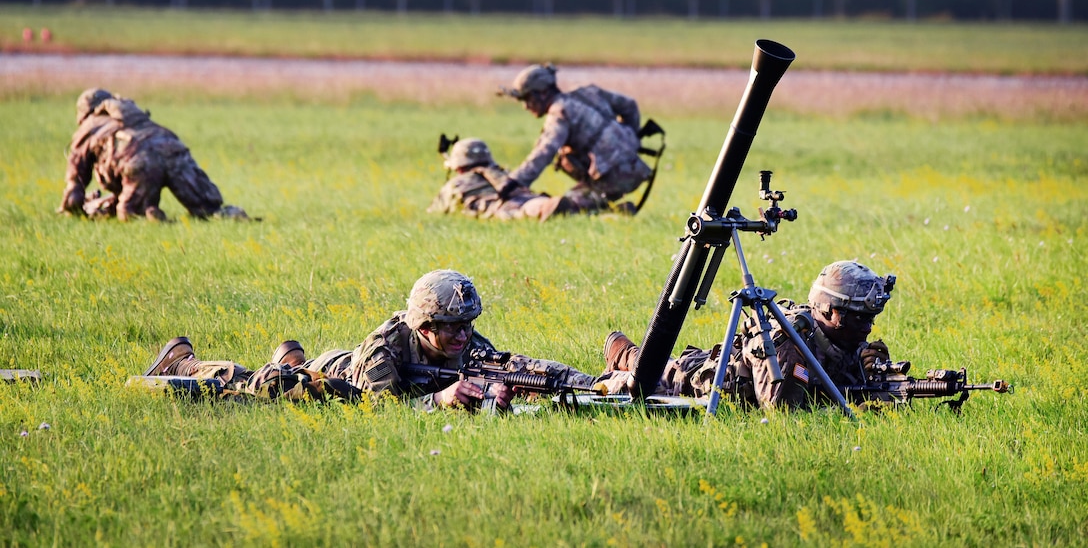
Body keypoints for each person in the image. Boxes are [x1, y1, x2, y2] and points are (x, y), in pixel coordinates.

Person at [143, 269, 619, 411]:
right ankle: (184, 365)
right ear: (423, 326)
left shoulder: (465, 341)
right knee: (272, 384)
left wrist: (595, 384)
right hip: (345, 374)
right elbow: (382, 409)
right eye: (452, 326)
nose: (463, 334)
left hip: (374, 379)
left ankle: (291, 352)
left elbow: (520, 367)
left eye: (468, 324)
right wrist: (441, 399)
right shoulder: (385, 346)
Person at [602, 261, 898, 409]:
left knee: (662, 361)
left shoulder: (838, 339)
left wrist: (863, 374)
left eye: (871, 318)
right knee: (631, 383)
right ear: (831, 311)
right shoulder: (792, 344)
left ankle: (628, 353)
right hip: (696, 384)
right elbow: (781, 410)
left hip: (718, 362)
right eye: (860, 318)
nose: (868, 327)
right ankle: (606, 360)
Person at [57, 88, 248, 221]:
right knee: (209, 209)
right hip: (173, 149)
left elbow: (75, 183)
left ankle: (147, 213)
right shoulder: (133, 114)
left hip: (140, 161)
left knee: (130, 214)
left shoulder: (89, 127)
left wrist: (72, 205)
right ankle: (228, 215)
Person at [498, 64, 652, 214]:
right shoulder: (588, 93)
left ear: (543, 93)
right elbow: (629, 105)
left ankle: (610, 214)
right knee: (573, 195)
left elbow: (545, 151)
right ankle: (614, 210)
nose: (526, 106)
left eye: (527, 98)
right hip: (635, 166)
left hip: (613, 178)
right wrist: (630, 140)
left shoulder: (559, 113)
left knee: (563, 208)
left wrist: (515, 182)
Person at [428, 137, 571, 221]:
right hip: (525, 199)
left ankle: (545, 208)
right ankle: (552, 205)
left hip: (499, 207)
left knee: (516, 212)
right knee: (528, 203)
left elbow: (436, 210)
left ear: (458, 165)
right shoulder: (502, 173)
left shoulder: (457, 183)